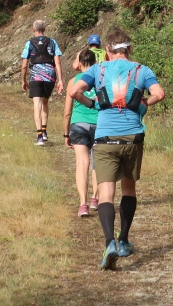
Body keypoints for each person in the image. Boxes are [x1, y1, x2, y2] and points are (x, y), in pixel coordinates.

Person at [68, 27, 165, 271]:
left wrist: (92, 104)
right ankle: (123, 241)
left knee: (106, 193)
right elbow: (159, 94)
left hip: (105, 138)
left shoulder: (98, 69)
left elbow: (73, 91)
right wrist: (143, 103)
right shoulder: (142, 70)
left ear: (107, 50)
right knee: (129, 189)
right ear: (130, 49)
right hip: (132, 137)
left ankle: (109, 242)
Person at [63, 49, 99, 218]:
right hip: (99, 125)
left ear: (80, 63)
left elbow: (67, 112)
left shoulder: (73, 81)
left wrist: (66, 134)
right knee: (97, 163)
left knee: (82, 163)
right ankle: (95, 199)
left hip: (79, 124)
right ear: (94, 62)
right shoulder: (101, 79)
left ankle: (83, 204)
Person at [20, 20, 64, 146]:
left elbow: (24, 65)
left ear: (33, 29)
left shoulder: (29, 43)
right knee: (45, 102)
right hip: (50, 76)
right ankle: (44, 132)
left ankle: (39, 136)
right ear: (44, 29)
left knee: (37, 104)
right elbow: (58, 62)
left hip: (36, 76)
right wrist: (60, 80)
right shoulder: (52, 42)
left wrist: (23, 80)